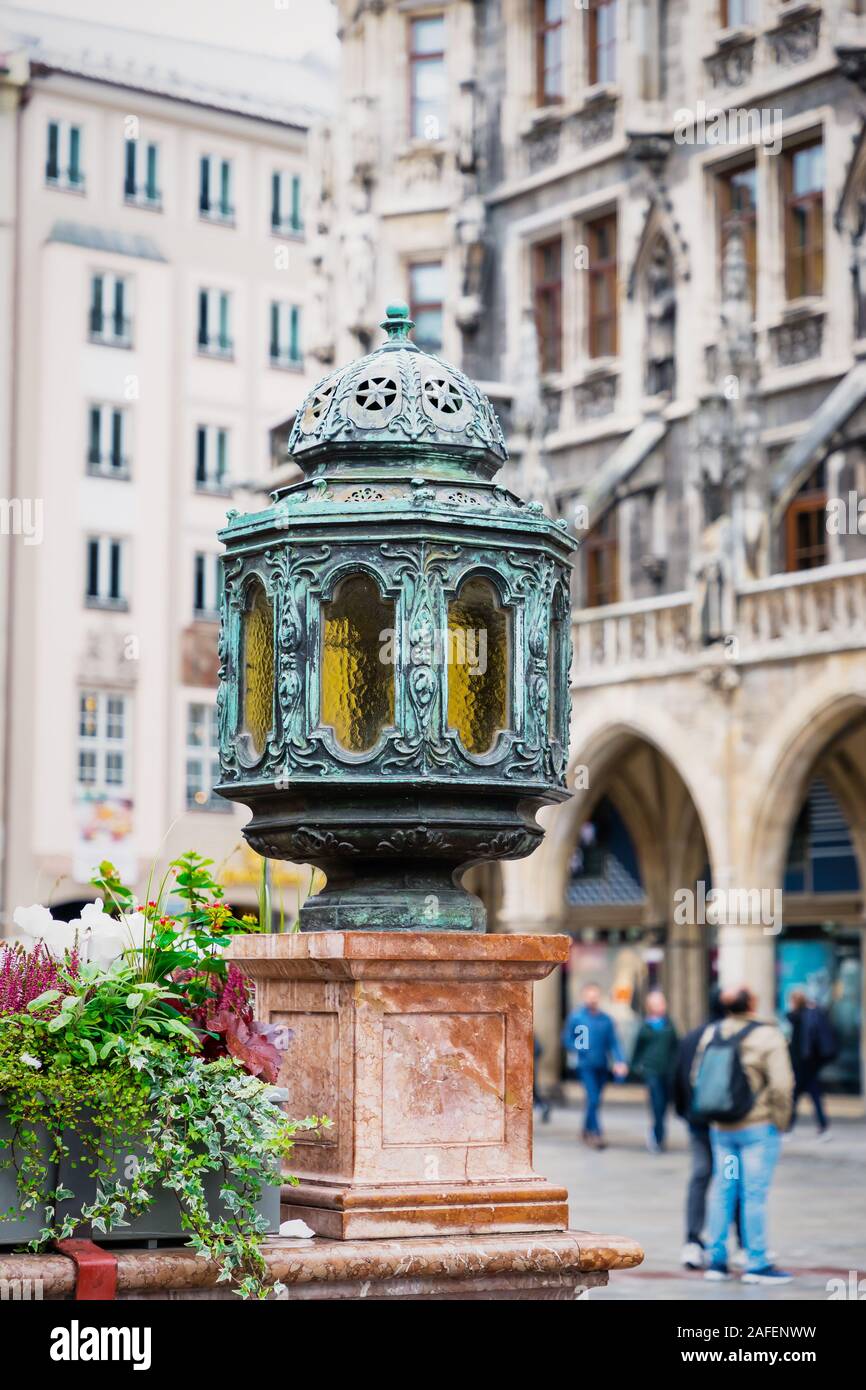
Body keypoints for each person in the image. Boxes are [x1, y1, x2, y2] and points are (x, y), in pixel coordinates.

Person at [694, 986, 794, 1284]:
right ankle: (757, 1263)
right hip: (756, 1130)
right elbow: (782, 1085)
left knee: (724, 1191)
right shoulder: (768, 1036)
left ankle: (716, 1261)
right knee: (753, 1194)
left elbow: (696, 1078)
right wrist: (780, 1121)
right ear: (753, 1003)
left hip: (723, 1131)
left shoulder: (712, 1033)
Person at [673, 990, 745, 1271]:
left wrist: (686, 1112)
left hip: (699, 1121)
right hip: (729, 1122)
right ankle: (740, 1244)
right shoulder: (736, 1036)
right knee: (733, 1177)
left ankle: (692, 1241)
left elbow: (677, 1075)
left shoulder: (693, 1036)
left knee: (700, 1176)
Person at [561, 984, 628, 1149]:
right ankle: (596, 1133)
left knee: (595, 1100)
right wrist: (579, 1048)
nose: (592, 999)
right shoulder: (577, 1018)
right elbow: (567, 1039)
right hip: (585, 1066)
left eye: (595, 995)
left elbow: (614, 1043)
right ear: (584, 997)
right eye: (589, 995)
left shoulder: (605, 1019)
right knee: (593, 1098)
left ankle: (585, 1129)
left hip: (601, 1065)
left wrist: (620, 1061)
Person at [630, 990, 678, 1153]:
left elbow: (676, 1047)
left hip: (668, 1071)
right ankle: (658, 1136)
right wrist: (637, 1068)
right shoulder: (645, 1026)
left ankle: (658, 1132)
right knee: (657, 1104)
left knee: (665, 1105)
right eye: (657, 1003)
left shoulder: (669, 1024)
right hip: (652, 1071)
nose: (661, 1006)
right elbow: (637, 1050)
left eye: (662, 1003)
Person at [787, 990, 836, 1141]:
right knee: (813, 1097)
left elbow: (800, 1046)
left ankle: (788, 1128)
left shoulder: (798, 1018)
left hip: (802, 1065)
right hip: (809, 1065)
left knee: (795, 1098)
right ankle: (822, 1128)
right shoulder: (810, 1015)